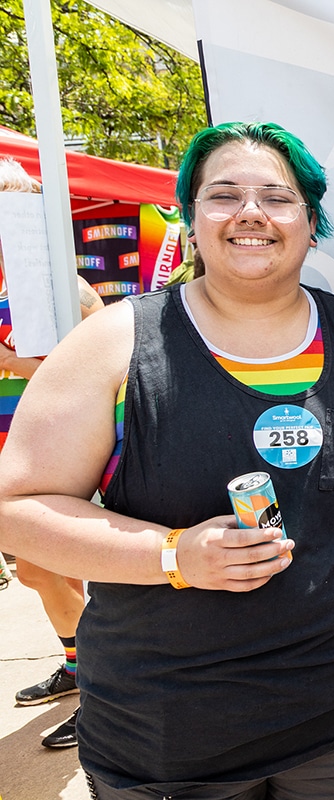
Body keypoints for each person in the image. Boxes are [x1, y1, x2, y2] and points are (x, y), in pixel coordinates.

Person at [0, 121, 334, 798]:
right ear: (192, 219)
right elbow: (14, 509)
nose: (251, 211)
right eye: (224, 194)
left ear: (311, 222)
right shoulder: (113, 344)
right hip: (170, 733)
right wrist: (173, 555)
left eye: (276, 198)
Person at [0, 156, 104, 748]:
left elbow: (100, 355)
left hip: (57, 450)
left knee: (50, 565)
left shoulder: (57, 280)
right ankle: (79, 668)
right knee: (40, 572)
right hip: (11, 452)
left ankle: (99, 685)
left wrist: (16, 362)